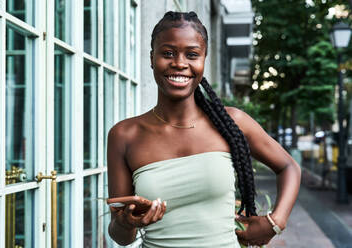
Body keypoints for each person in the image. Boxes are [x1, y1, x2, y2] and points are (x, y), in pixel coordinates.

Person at [107, 11, 301, 247]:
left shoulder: (232, 123)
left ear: (204, 59)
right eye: (167, 53)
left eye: (192, 54)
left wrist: (275, 222)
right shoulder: (125, 135)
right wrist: (126, 222)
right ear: (151, 58)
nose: (179, 63)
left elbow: (288, 166)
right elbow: (120, 237)